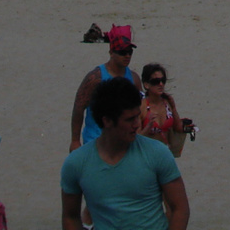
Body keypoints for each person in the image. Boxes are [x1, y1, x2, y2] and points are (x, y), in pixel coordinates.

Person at [62, 76, 187, 230]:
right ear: (107, 121)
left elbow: (180, 209)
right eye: (130, 119)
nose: (137, 124)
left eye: (137, 117)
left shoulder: (158, 153)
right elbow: (70, 217)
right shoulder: (76, 163)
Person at [71, 30, 145, 151]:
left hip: (125, 143)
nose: (127, 56)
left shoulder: (134, 78)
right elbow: (79, 107)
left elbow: (141, 110)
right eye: (122, 52)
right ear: (111, 53)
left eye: (130, 52)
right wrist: (75, 141)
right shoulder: (95, 77)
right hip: (95, 140)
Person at [139, 63, 190, 156]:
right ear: (146, 85)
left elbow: (177, 128)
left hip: (166, 155)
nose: (161, 84)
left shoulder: (167, 103)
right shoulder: (141, 107)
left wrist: (174, 109)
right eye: (156, 81)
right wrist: (148, 126)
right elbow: (135, 140)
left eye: (163, 80)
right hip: (147, 156)